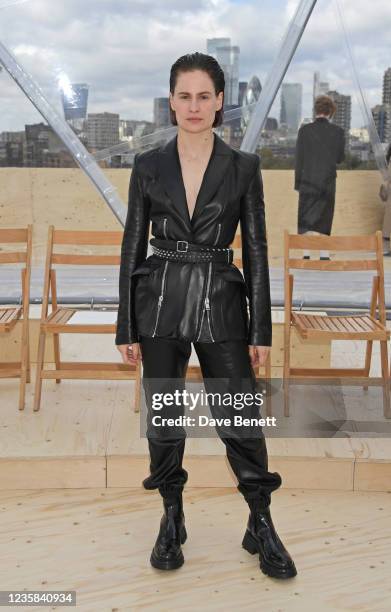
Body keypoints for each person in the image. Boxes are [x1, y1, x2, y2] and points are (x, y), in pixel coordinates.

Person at [116, 52, 297, 579]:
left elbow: (258, 250)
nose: (194, 106)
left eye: (204, 96)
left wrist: (260, 328)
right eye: (184, 95)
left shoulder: (245, 168)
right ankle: (171, 517)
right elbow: (132, 247)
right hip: (161, 304)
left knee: (241, 418)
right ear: (171, 101)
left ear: (220, 102)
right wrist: (126, 324)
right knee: (166, 420)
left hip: (222, 302)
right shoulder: (147, 166)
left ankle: (260, 521)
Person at [294, 95, 345, 259]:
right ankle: (324, 254)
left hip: (307, 180)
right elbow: (339, 158)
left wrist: (297, 184)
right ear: (330, 111)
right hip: (327, 181)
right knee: (325, 216)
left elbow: (299, 159)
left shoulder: (304, 131)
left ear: (316, 110)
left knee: (306, 217)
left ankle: (306, 254)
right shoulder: (338, 132)